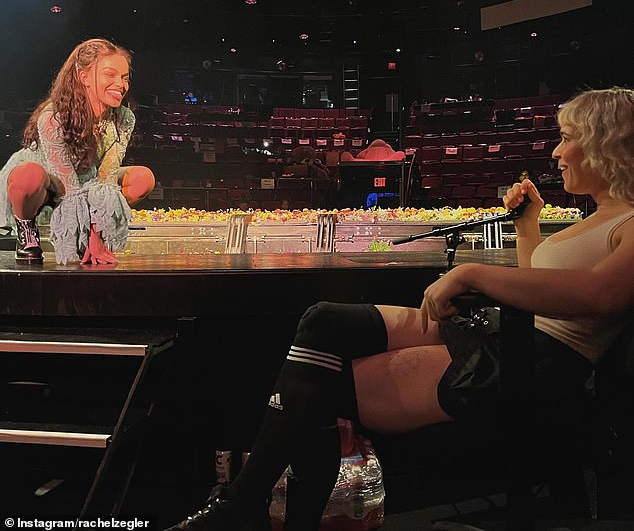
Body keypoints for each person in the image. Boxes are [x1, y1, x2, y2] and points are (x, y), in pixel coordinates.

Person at [166, 87, 634, 531]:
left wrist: (472, 273)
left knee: (315, 389)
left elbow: (600, 295)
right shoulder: (600, 216)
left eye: (568, 138)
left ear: (605, 146)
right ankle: (245, 503)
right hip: (505, 335)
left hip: (530, 362)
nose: (556, 152)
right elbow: (544, 285)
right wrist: (529, 225)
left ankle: (244, 505)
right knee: (324, 321)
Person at [0, 38, 155, 265]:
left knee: (143, 178)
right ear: (84, 78)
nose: (120, 85)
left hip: (85, 181)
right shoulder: (54, 118)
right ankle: (26, 229)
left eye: (124, 78)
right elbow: (69, 188)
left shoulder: (124, 119)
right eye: (110, 75)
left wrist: (96, 235)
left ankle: (86, 238)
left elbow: (106, 180)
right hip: (49, 183)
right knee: (29, 176)